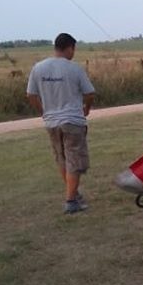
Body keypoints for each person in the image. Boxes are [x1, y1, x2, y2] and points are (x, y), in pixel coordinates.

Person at [26, 33, 96, 214]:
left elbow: (31, 95)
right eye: (74, 49)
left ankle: (73, 194)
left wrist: (43, 112)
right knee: (75, 160)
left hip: (51, 122)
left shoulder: (38, 68)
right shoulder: (75, 68)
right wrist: (86, 109)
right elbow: (89, 93)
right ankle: (71, 201)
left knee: (61, 158)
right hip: (72, 120)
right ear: (70, 48)